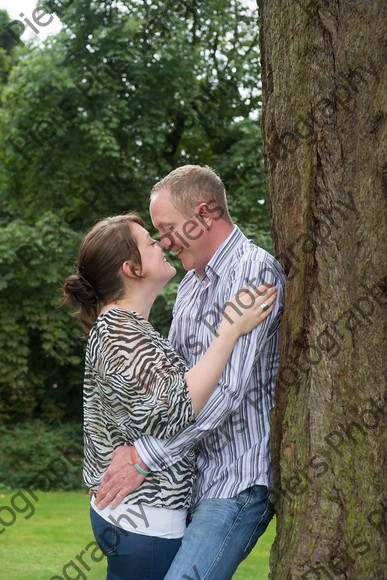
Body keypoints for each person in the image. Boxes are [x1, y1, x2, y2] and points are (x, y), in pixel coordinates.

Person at [95, 165, 287, 579]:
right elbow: (177, 390)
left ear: (204, 215)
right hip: (187, 479)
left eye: (166, 228)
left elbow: (228, 391)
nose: (163, 241)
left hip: (236, 482)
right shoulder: (190, 284)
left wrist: (145, 457)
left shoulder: (253, 271)